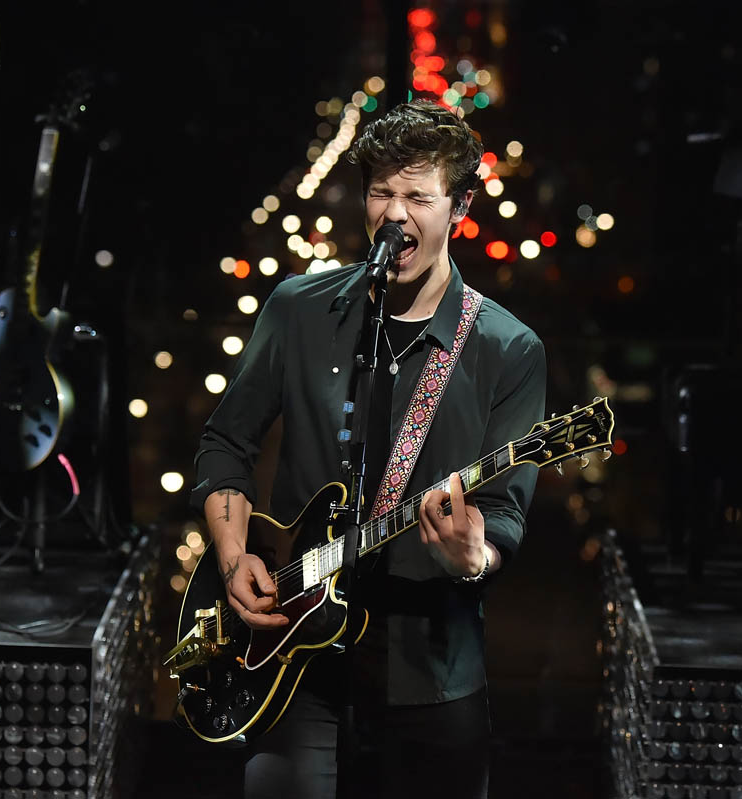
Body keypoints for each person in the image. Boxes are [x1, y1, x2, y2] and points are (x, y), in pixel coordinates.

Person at [189, 99, 547, 798]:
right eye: (382, 192)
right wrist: (233, 558)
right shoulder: (298, 309)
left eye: (419, 197)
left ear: (459, 207)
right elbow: (226, 441)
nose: (395, 214)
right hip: (291, 659)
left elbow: (504, 513)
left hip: (430, 672)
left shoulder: (508, 348)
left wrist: (473, 556)